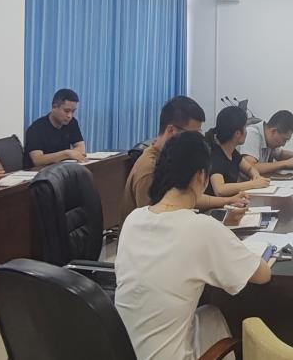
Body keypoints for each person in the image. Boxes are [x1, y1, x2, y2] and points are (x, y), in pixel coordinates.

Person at [115, 130, 275, 360]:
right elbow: (262, 275)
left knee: (209, 314)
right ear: (201, 176)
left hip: (123, 350)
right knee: (215, 319)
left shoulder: (135, 218)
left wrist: (223, 228)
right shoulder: (202, 229)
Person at [120, 96, 246, 219]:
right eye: (192, 134)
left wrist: (228, 201)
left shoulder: (174, 159)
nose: (197, 140)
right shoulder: (148, 169)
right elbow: (155, 223)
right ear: (171, 130)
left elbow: (186, 196)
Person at [208, 106, 271, 197]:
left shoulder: (232, 152)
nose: (246, 132)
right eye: (245, 128)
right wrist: (253, 184)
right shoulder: (215, 155)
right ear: (237, 133)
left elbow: (249, 168)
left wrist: (256, 176)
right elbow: (220, 190)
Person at [24, 88, 85, 168]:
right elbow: (38, 160)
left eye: (73, 111)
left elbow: (81, 149)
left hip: (61, 170)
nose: (70, 116)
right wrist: (66, 154)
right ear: (54, 107)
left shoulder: (72, 123)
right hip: (38, 172)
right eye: (66, 111)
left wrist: (67, 154)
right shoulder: (36, 128)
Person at [240, 110, 293, 175]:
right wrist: (285, 163)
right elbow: (251, 167)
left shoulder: (269, 138)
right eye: (284, 140)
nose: (283, 144)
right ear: (273, 131)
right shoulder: (252, 134)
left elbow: (280, 154)